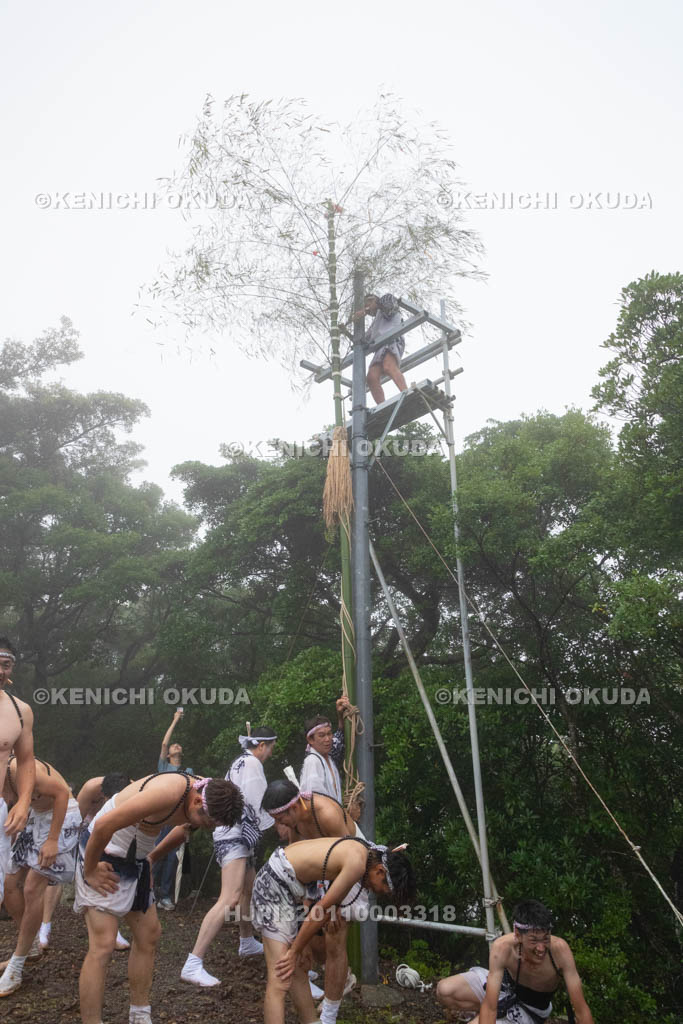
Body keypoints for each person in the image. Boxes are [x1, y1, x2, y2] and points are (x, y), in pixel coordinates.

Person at [75, 770, 243, 1024]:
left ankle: (140, 1015)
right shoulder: (166, 792)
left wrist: (151, 859)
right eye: (206, 822)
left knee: (149, 935)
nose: (203, 827)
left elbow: (183, 830)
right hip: (102, 853)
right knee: (104, 944)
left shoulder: (208, 795)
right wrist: (89, 871)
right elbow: (102, 825)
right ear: (197, 802)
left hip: (137, 860)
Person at [251, 834, 415, 1024]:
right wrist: (294, 949)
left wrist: (298, 949)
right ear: (380, 871)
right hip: (274, 885)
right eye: (380, 889)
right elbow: (320, 910)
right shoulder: (357, 864)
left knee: (300, 965)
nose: (373, 891)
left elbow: (327, 904)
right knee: (280, 978)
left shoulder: (368, 852)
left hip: (294, 890)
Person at [180, 726, 277, 987]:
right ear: (261, 746)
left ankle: (246, 941)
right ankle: (193, 961)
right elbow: (256, 803)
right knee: (231, 896)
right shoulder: (252, 763)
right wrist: (276, 824)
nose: (270, 753)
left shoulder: (239, 762)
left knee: (249, 889)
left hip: (233, 833)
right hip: (234, 834)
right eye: (271, 747)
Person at [261, 781, 361, 1023]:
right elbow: (295, 873)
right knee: (309, 933)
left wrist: (335, 908)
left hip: (348, 865)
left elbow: (348, 857)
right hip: (319, 870)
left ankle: (329, 1016)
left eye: (280, 818)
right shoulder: (295, 823)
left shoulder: (327, 813)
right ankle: (331, 985)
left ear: (294, 806)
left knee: (334, 937)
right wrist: (301, 918)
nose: (279, 825)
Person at [435, 899, 595, 1024]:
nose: (541, 948)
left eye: (545, 939)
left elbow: (581, 1009)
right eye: (533, 940)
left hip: (530, 1009)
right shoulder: (503, 947)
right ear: (518, 934)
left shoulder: (560, 951)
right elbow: (490, 1005)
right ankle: (492, 1014)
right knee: (445, 990)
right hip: (505, 991)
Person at [0, 755, 82, 996]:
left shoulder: (21, 770)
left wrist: (53, 840)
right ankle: (32, 945)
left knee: (32, 887)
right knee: (10, 882)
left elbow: (61, 793)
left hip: (62, 816)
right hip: (34, 817)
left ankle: (16, 967)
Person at [0, 640, 35, 921]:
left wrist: (23, 802)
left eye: (5, 664)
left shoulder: (19, 710)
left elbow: (25, 761)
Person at [155, 710, 192, 911]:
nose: (175, 746)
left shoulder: (189, 773)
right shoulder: (163, 767)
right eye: (172, 746)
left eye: (178, 746)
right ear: (168, 754)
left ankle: (166, 897)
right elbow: (163, 743)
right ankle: (151, 893)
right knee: (156, 854)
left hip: (179, 820)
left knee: (172, 858)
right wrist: (175, 719)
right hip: (162, 818)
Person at [354, 293, 408, 405]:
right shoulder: (375, 323)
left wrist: (368, 308)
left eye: (367, 304)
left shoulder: (387, 301)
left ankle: (406, 393)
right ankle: (382, 406)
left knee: (388, 366)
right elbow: (364, 340)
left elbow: (389, 308)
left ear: (373, 299)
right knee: (371, 377)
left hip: (392, 340)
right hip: (380, 347)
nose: (368, 312)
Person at [299, 697, 350, 802]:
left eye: (329, 734)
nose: (327, 739)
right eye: (321, 735)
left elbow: (339, 736)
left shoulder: (329, 757)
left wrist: (340, 715)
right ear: (310, 739)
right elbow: (317, 803)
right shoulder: (312, 761)